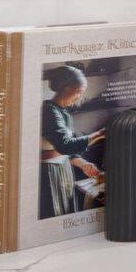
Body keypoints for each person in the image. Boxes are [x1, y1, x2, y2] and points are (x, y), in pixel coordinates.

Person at [36, 63, 106, 218]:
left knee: (65, 212)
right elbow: (64, 145)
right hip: (49, 173)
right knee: (53, 213)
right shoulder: (48, 111)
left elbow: (70, 148)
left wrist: (83, 164)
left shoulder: (64, 114)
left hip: (63, 170)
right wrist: (99, 134)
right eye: (79, 91)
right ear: (66, 87)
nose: (80, 96)